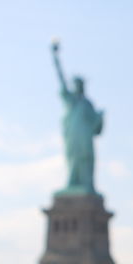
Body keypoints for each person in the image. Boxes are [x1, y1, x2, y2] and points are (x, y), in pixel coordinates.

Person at [51, 39, 105, 195]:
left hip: (85, 137)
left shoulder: (87, 104)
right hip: (73, 136)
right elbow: (60, 78)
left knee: (86, 158)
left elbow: (96, 128)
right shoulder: (71, 101)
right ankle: (72, 182)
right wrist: (55, 58)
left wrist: (100, 118)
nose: (77, 86)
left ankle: (87, 184)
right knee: (73, 159)